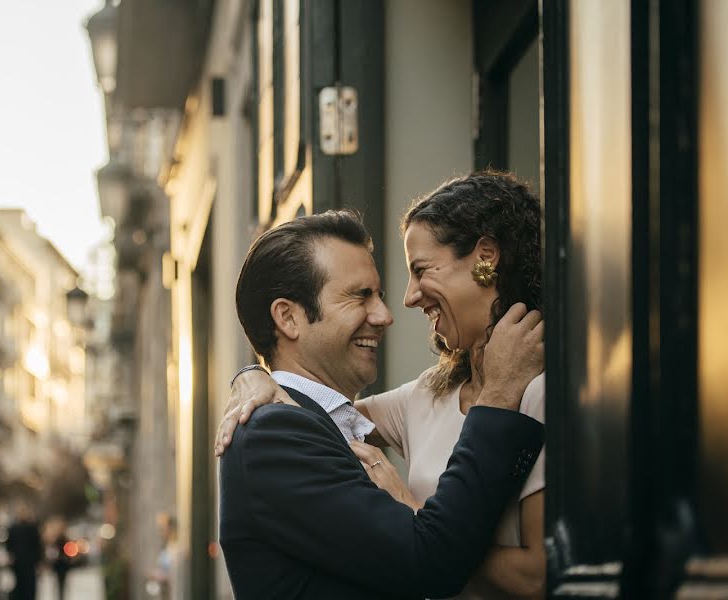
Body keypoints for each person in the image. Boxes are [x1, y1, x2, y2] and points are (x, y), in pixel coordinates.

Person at [218, 171, 546, 598]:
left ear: (488, 258)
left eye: (382, 293)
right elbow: (430, 557)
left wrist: (251, 376)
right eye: (360, 296)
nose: (389, 313)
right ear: (288, 318)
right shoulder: (275, 434)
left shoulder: (321, 421)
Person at [5, 505, 42, 600]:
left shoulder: (32, 528)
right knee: (19, 587)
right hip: (18, 563)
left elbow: (37, 546)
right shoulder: (13, 528)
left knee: (29, 588)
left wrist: (38, 562)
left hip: (29, 563)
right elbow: (9, 545)